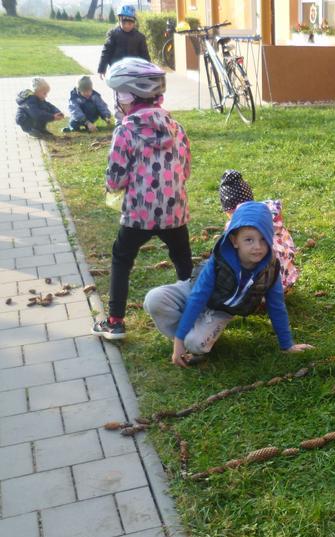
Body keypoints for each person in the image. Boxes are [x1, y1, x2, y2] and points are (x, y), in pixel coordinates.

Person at [91, 58, 192, 340]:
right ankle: (197, 310)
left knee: (122, 258)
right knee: (183, 262)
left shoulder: (125, 131)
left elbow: (115, 178)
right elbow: (185, 170)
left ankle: (115, 322)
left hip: (139, 214)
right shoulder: (176, 127)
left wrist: (114, 187)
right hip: (174, 212)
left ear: (126, 96)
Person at [143, 201, 313, 367]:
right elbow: (198, 297)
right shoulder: (220, 260)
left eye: (263, 239)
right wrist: (179, 339)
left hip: (220, 309)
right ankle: (182, 338)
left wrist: (287, 345)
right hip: (192, 290)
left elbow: (277, 307)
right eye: (249, 240)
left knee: (195, 343)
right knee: (154, 299)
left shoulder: (270, 269)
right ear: (234, 240)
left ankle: (195, 339)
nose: (257, 246)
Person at [218, 169, 300, 291]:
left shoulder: (235, 226)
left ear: (228, 210)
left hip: (262, 284)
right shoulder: (269, 212)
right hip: (286, 276)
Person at [97, 5, 150, 79]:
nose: (126, 26)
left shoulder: (140, 37)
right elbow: (106, 52)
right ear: (119, 21)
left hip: (133, 72)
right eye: (124, 23)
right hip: (116, 71)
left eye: (129, 24)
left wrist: (148, 71)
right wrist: (102, 69)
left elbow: (145, 55)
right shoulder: (113, 34)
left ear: (134, 23)